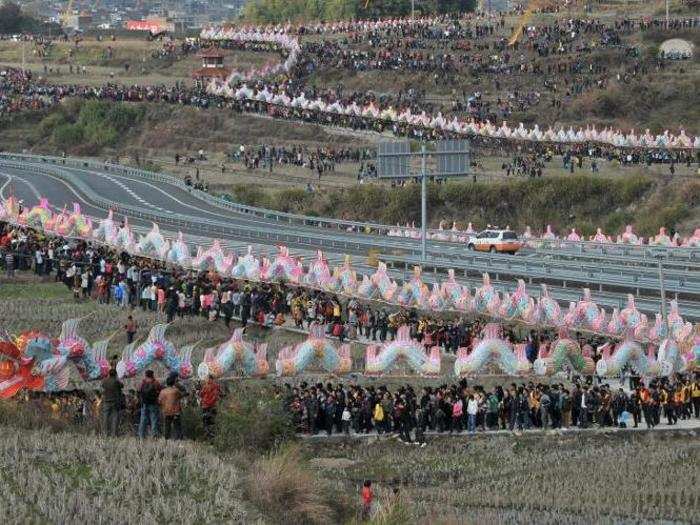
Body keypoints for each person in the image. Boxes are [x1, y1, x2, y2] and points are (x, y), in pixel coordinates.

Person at [159, 373, 184, 439]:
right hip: (175, 411)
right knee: (177, 425)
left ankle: (166, 438)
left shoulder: (162, 391)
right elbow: (181, 396)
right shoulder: (176, 390)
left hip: (166, 411)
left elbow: (159, 401)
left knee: (167, 425)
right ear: (173, 383)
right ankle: (178, 438)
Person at [137, 370, 160, 438]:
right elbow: (160, 389)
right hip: (153, 403)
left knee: (143, 419)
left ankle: (141, 435)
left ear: (146, 375)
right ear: (152, 375)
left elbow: (138, 390)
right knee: (153, 419)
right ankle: (154, 435)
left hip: (144, 403)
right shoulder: (155, 382)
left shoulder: (142, 382)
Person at [101, 368, 124, 436]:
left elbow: (102, 386)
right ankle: (114, 434)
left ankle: (105, 433)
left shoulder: (105, 381)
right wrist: (118, 379)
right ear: (115, 374)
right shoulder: (116, 381)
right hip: (115, 401)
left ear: (109, 374)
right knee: (115, 418)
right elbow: (122, 386)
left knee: (105, 418)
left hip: (106, 401)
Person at [200, 374, 221, 438]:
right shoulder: (216, 386)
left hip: (206, 406)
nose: (206, 380)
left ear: (210, 379)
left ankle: (208, 436)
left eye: (207, 378)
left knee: (206, 422)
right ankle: (213, 437)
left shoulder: (205, 386)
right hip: (213, 406)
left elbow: (201, 394)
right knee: (212, 422)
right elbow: (219, 394)